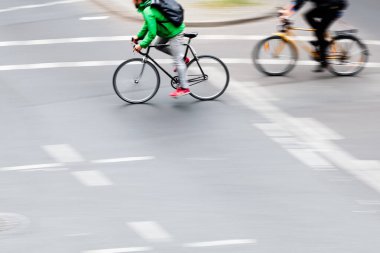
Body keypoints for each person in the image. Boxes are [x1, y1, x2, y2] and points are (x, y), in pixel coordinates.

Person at [132, 0, 190, 97]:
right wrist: (139, 36)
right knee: (159, 45)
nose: (132, 2)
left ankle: (184, 88)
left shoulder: (148, 10)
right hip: (168, 31)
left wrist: (141, 45)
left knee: (177, 60)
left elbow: (152, 33)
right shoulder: (147, 8)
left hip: (174, 32)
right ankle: (183, 58)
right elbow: (148, 24)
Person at [280, 0, 348, 72]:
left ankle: (323, 58)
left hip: (334, 8)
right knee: (309, 17)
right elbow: (297, 2)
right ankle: (321, 40)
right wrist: (286, 11)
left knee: (319, 31)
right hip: (325, 6)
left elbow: (299, 2)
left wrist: (288, 14)